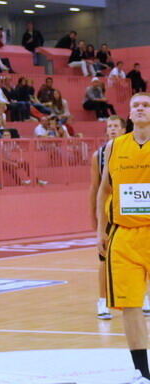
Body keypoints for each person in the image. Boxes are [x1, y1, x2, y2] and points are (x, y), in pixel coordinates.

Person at [97, 93, 150, 383]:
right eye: (135, 106)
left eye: (145, 105)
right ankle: (142, 373)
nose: (140, 109)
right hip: (124, 235)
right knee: (130, 306)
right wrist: (99, 230)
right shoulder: (116, 146)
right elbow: (104, 190)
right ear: (129, 114)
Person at [91, 115, 128, 321]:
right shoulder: (100, 154)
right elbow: (95, 188)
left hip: (134, 212)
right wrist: (95, 216)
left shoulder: (135, 148)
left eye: (115, 126)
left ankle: (143, 297)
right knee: (104, 259)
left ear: (124, 129)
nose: (112, 129)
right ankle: (103, 301)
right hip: (109, 212)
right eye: (109, 126)